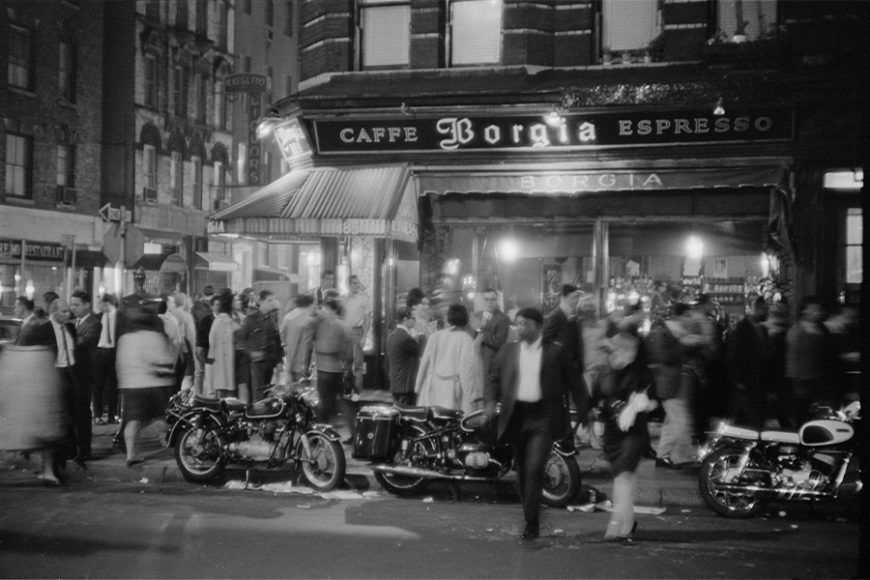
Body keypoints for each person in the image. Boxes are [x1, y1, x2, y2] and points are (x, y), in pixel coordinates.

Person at [483, 307, 581, 541]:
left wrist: (585, 413)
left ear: (538, 326)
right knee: (524, 470)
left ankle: (531, 521)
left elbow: (574, 381)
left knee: (536, 466)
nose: (520, 328)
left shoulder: (553, 352)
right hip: (517, 417)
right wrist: (489, 403)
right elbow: (493, 379)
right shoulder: (508, 351)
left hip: (542, 418)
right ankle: (531, 512)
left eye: (525, 323)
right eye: (518, 324)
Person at [0, 298, 68, 486]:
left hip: (27, 407)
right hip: (43, 410)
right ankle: (48, 472)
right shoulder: (44, 356)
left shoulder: (21, 354)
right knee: (47, 440)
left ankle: (49, 471)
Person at [595, 330, 653, 542]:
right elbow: (597, 399)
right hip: (612, 434)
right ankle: (627, 522)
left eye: (619, 351)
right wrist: (595, 424)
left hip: (633, 433)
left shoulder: (641, 374)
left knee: (623, 478)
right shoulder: (604, 372)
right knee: (621, 479)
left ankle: (618, 524)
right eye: (612, 352)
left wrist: (643, 404)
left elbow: (652, 401)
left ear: (631, 352)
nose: (613, 356)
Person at [115, 303, 175, 468]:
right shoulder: (154, 336)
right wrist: (169, 378)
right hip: (152, 384)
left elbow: (120, 363)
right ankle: (174, 444)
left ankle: (130, 454)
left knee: (132, 420)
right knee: (160, 418)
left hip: (130, 385)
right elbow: (162, 361)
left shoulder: (125, 338)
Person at [542, 284, 588, 445]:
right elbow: (545, 339)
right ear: (565, 297)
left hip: (572, 367)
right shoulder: (555, 316)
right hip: (560, 370)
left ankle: (570, 437)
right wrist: (559, 348)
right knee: (562, 405)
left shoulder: (572, 316)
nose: (577, 300)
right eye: (574, 297)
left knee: (575, 403)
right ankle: (565, 439)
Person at [415, 303, 483, 413]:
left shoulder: (435, 336)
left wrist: (418, 387)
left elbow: (424, 364)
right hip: (453, 392)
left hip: (433, 389)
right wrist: (474, 395)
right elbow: (467, 371)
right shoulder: (466, 339)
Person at [648, 305, 694, 468]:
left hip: (675, 382)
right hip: (668, 383)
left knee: (671, 421)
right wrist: (684, 346)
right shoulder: (665, 332)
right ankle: (680, 457)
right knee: (679, 422)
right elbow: (664, 356)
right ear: (679, 317)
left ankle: (662, 456)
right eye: (687, 315)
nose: (689, 319)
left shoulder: (675, 332)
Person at [785, 297, 834, 425]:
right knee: (803, 410)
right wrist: (796, 379)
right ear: (804, 311)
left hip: (818, 376)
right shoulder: (797, 330)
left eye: (818, 309)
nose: (817, 312)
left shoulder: (821, 328)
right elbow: (792, 357)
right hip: (803, 378)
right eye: (813, 309)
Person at [311, 298, 354, 440]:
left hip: (326, 371)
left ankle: (322, 434)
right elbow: (349, 352)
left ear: (332, 310)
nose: (322, 311)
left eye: (325, 309)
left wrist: (317, 348)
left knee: (325, 404)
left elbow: (330, 348)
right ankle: (353, 431)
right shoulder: (343, 326)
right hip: (338, 371)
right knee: (340, 402)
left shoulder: (330, 325)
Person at [727, 296, 771, 429]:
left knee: (756, 415)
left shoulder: (762, 329)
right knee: (749, 416)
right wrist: (738, 379)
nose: (766, 313)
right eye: (764, 309)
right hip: (747, 379)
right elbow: (734, 354)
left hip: (759, 380)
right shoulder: (742, 328)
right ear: (755, 309)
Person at [70, 290, 101, 465]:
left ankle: (84, 449)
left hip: (84, 374)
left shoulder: (94, 323)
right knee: (74, 412)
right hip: (73, 374)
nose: (73, 308)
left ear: (87, 305)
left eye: (76, 305)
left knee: (82, 413)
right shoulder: (74, 322)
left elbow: (84, 343)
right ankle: (74, 448)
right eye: (72, 304)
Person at [237, 289, 282, 402]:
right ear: (261, 301)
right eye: (269, 300)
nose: (271, 303)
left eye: (273, 300)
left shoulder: (272, 319)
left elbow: (276, 341)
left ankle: (264, 417)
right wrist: (251, 352)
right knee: (257, 393)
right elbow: (240, 341)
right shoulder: (251, 319)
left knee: (267, 391)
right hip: (256, 363)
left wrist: (279, 361)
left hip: (269, 362)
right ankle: (257, 417)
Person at [470, 288, 511, 378]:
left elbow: (499, 342)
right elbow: (473, 336)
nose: (489, 302)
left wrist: (480, 329)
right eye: (486, 299)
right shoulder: (478, 315)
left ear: (497, 301)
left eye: (493, 299)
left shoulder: (503, 319)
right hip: (476, 360)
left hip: (491, 364)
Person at [342, 275, 372, 397]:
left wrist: (365, 336)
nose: (357, 286)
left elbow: (368, 319)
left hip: (357, 331)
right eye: (354, 283)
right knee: (346, 363)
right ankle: (347, 389)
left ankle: (357, 392)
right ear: (348, 284)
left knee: (358, 364)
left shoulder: (363, 299)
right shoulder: (343, 299)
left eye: (358, 283)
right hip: (345, 332)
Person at [93, 293, 120, 424]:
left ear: (106, 303)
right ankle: (97, 415)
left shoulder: (119, 316)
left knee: (113, 385)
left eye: (100, 303)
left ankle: (112, 415)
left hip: (114, 352)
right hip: (100, 351)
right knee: (98, 385)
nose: (98, 306)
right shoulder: (98, 317)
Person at [386, 306, 420, 406]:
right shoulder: (406, 338)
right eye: (413, 319)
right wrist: (418, 338)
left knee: (398, 414)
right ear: (405, 319)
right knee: (406, 416)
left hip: (395, 383)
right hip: (406, 385)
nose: (415, 321)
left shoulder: (391, 336)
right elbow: (420, 351)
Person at [280, 293, 316, 384]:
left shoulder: (288, 316)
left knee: (292, 389)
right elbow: (307, 343)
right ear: (311, 304)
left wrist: (284, 345)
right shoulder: (310, 319)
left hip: (290, 359)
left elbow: (282, 333)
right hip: (304, 361)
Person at [168, 292, 196, 391]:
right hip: (182, 350)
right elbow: (191, 336)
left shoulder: (169, 314)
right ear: (184, 303)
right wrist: (195, 355)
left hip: (169, 350)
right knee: (180, 380)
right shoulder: (186, 316)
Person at [191, 285, 215, 393]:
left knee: (199, 372)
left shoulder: (195, 307)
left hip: (199, 342)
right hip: (209, 342)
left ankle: (198, 395)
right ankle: (210, 394)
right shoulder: (215, 305)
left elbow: (193, 325)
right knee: (209, 371)